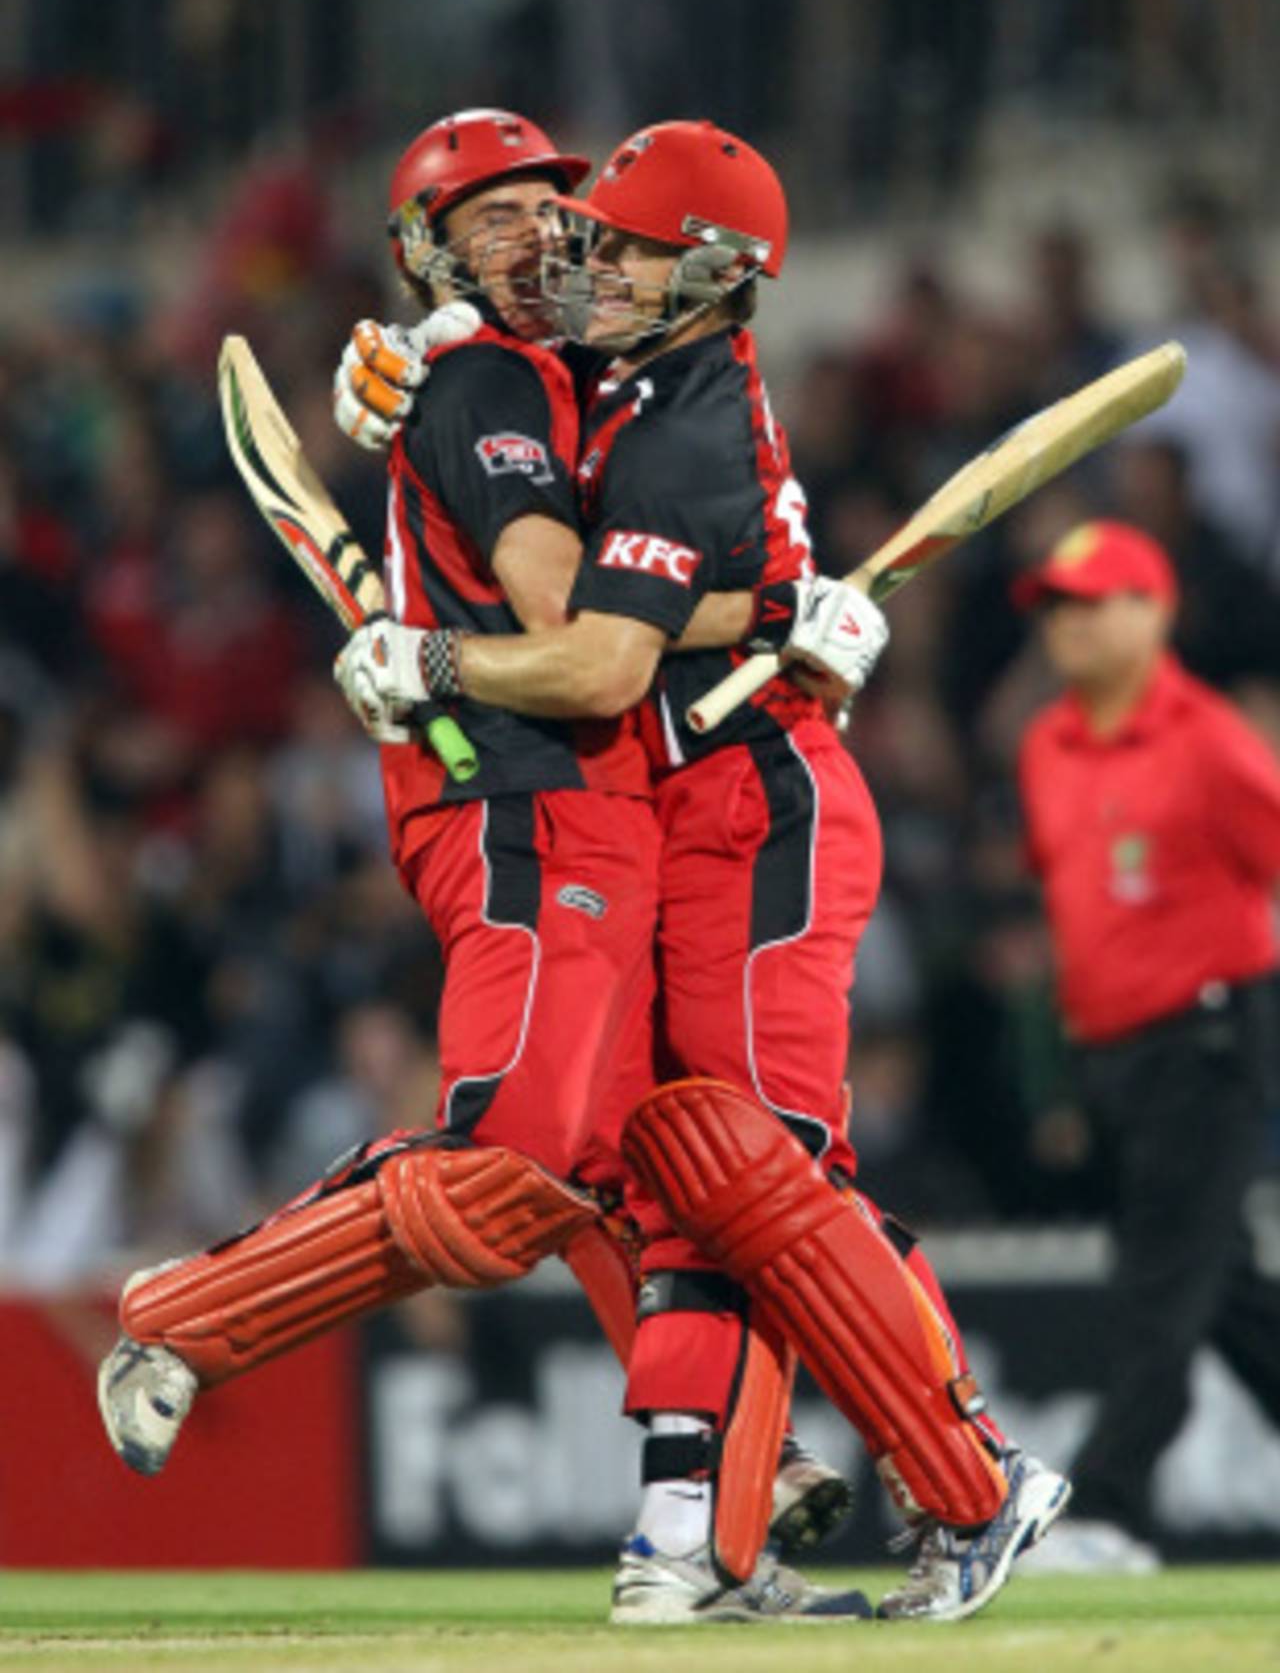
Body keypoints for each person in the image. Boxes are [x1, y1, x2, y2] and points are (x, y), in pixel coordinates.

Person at [96, 107, 873, 1626]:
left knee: (639, 1164)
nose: (531, 235)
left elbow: (683, 504)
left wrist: (779, 582)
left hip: (617, 803)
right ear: (422, 252)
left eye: (548, 208)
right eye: (488, 218)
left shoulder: (586, 364)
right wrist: (779, 611)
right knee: (519, 1153)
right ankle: (182, 1318)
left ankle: (711, 1511)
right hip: (519, 795)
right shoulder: (490, 380)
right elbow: (577, 629)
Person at [335, 117, 1070, 1622]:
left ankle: (957, 1483)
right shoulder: (613, 372)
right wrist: (404, 376)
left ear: (713, 274)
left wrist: (438, 658)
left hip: (760, 800)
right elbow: (509, 415)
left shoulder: (675, 413)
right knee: (691, 1180)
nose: (585, 261)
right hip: (680, 811)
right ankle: (707, 1534)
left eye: (622, 245)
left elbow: (603, 656)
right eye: (585, 236)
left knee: (758, 1172)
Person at [1013, 517, 1280, 1572]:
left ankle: (1104, 1509)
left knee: (1156, 1283)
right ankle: (1106, 1509)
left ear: (1151, 610)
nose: (1065, 625)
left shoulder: (1206, 739)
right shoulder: (1044, 746)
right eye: (1054, 606)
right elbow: (1074, 915)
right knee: (1217, 1287)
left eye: (1089, 602)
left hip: (1207, 1036)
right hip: (1113, 1054)